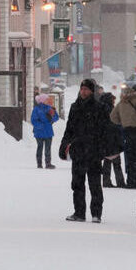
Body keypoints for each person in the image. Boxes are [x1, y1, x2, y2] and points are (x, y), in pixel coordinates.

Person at [59, 78, 110, 223]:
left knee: (94, 184)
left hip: (94, 151)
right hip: (78, 151)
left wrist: (102, 148)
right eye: (82, 89)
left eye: (86, 89)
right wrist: (64, 144)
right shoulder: (75, 107)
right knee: (77, 183)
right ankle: (79, 212)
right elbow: (69, 129)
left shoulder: (99, 108)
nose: (83, 92)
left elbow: (105, 131)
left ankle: (96, 214)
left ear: (92, 91)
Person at [100, 92, 125, 188]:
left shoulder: (100, 110)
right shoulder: (111, 110)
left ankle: (106, 181)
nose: (114, 101)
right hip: (113, 137)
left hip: (105, 138)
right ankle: (120, 182)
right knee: (116, 161)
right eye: (113, 99)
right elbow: (115, 123)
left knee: (107, 161)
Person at [31, 93, 59, 169]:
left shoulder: (50, 108)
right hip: (39, 132)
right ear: (42, 100)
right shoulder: (36, 109)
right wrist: (41, 125)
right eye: (46, 99)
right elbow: (33, 120)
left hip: (48, 132)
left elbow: (56, 118)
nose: (48, 100)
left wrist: (52, 116)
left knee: (48, 148)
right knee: (40, 147)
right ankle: (39, 164)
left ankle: (48, 163)